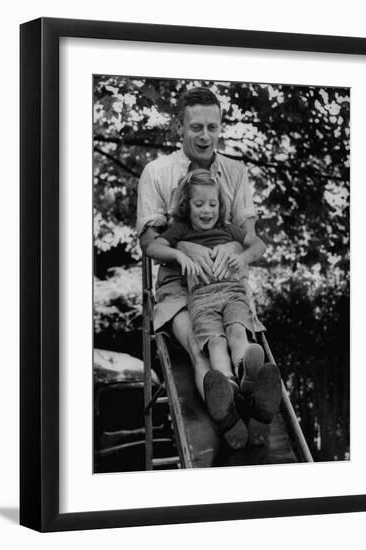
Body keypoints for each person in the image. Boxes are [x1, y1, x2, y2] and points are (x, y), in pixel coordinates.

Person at [137, 86, 279, 448]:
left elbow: (249, 237)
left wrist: (237, 251)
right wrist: (183, 248)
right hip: (179, 283)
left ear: (220, 127)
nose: (204, 136)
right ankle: (228, 412)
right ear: (179, 128)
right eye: (196, 127)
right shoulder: (157, 172)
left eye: (212, 127)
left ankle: (247, 388)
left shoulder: (234, 171)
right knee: (202, 346)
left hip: (223, 280)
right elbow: (151, 242)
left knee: (236, 334)